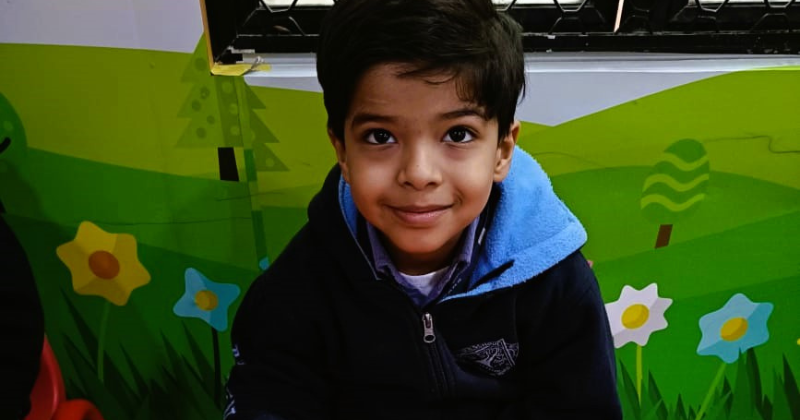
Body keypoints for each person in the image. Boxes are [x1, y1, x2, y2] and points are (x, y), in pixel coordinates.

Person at [225, 0, 621, 418]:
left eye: (458, 134)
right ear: (341, 150)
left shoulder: (556, 286)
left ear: (502, 150)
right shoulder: (296, 292)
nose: (418, 174)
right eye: (380, 136)